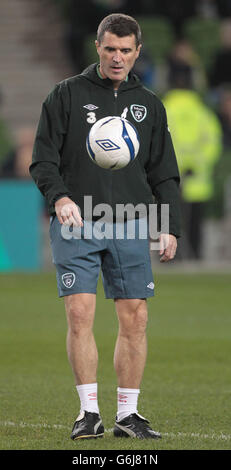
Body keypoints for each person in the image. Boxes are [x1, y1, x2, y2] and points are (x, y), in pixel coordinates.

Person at [30, 13, 181, 440]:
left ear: (137, 52)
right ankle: (88, 412)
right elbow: (43, 159)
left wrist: (168, 225)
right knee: (80, 313)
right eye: (110, 48)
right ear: (98, 46)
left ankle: (129, 415)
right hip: (79, 219)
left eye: (125, 50)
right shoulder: (65, 95)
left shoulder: (149, 104)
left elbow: (164, 172)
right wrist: (59, 197)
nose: (117, 58)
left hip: (132, 223)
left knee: (135, 319)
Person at [163, 60, 222, 259]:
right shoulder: (202, 111)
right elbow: (213, 142)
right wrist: (197, 164)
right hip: (197, 179)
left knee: (168, 224)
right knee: (195, 226)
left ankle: (169, 259)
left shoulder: (163, 109)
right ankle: (196, 258)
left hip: (168, 180)